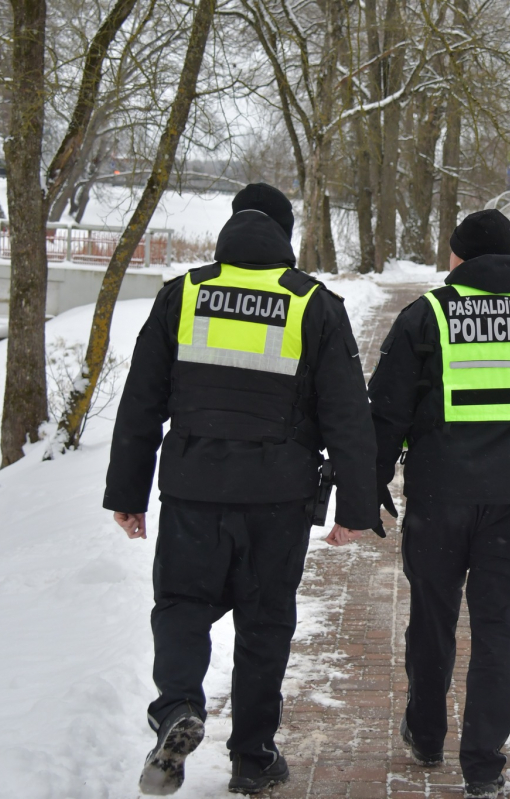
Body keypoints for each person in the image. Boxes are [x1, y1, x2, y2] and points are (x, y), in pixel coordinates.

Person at [104, 183, 379, 796]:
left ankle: (177, 704)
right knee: (265, 623)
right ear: (285, 234)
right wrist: (357, 507)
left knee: (181, 604)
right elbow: (347, 415)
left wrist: (129, 493)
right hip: (276, 499)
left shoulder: (185, 294)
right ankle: (253, 756)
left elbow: (142, 402)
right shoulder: (313, 304)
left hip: (191, 488)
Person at [367, 209, 510, 798]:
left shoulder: (428, 316)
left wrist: (370, 481)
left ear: (460, 258)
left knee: (433, 618)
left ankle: (424, 732)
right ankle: (483, 763)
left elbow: (387, 408)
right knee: (498, 628)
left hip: (439, 497)